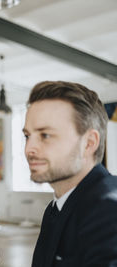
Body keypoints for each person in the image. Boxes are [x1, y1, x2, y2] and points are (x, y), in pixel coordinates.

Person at [22, 81, 117, 267]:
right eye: (27, 136)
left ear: (89, 143)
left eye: (45, 135)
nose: (29, 149)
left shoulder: (109, 212)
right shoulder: (55, 207)